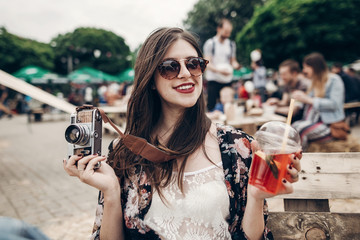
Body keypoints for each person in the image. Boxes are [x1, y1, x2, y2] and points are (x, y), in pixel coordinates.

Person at [64, 27, 301, 240]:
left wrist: (257, 198)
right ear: (151, 80)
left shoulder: (238, 147)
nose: (186, 73)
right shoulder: (125, 152)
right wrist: (112, 192)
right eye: (170, 67)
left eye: (194, 64)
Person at [292, 53, 346, 150]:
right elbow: (306, 102)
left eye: (306, 67)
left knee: (300, 130)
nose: (304, 70)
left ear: (315, 67)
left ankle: (299, 159)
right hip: (311, 121)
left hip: (329, 125)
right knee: (292, 128)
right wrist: (300, 99)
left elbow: (334, 104)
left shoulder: (334, 80)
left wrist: (307, 99)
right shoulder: (313, 82)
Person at [203, 18, 241, 111]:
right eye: (226, 31)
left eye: (229, 32)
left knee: (228, 107)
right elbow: (207, 63)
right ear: (219, 29)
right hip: (214, 80)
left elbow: (233, 61)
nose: (228, 34)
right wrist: (220, 71)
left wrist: (236, 66)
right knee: (212, 107)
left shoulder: (231, 44)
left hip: (227, 80)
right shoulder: (210, 43)